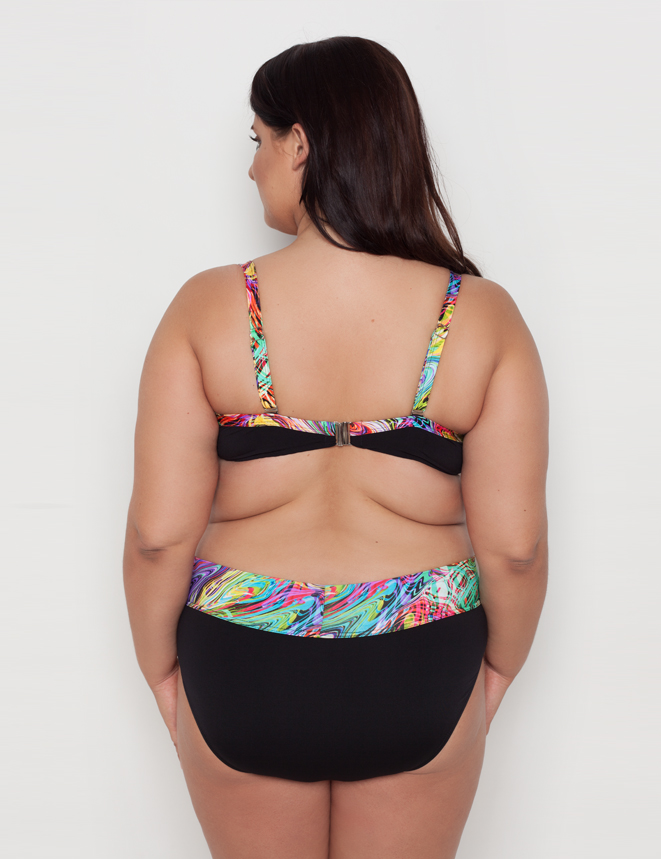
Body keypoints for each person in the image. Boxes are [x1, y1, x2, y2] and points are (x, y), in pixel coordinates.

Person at [124, 35, 548, 859]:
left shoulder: (208, 307)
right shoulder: (479, 316)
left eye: (258, 140)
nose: (251, 167)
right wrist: (492, 675)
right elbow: (517, 550)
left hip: (242, 654)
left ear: (300, 144)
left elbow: (156, 537)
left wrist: (163, 674)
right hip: (419, 657)